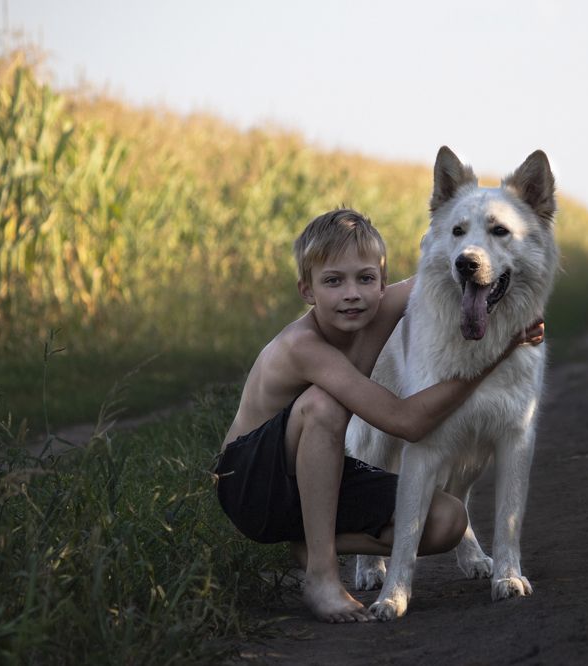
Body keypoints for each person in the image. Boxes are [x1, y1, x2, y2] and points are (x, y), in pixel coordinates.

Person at [215, 208, 543, 623]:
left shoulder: (380, 307)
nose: (352, 293)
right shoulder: (305, 347)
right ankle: (321, 574)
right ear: (307, 289)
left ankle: (314, 542)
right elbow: (407, 422)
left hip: (316, 477)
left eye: (365, 279)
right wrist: (494, 356)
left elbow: (440, 274)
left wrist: (517, 318)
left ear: (382, 283)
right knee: (324, 403)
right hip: (252, 485)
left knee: (448, 520)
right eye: (333, 281)